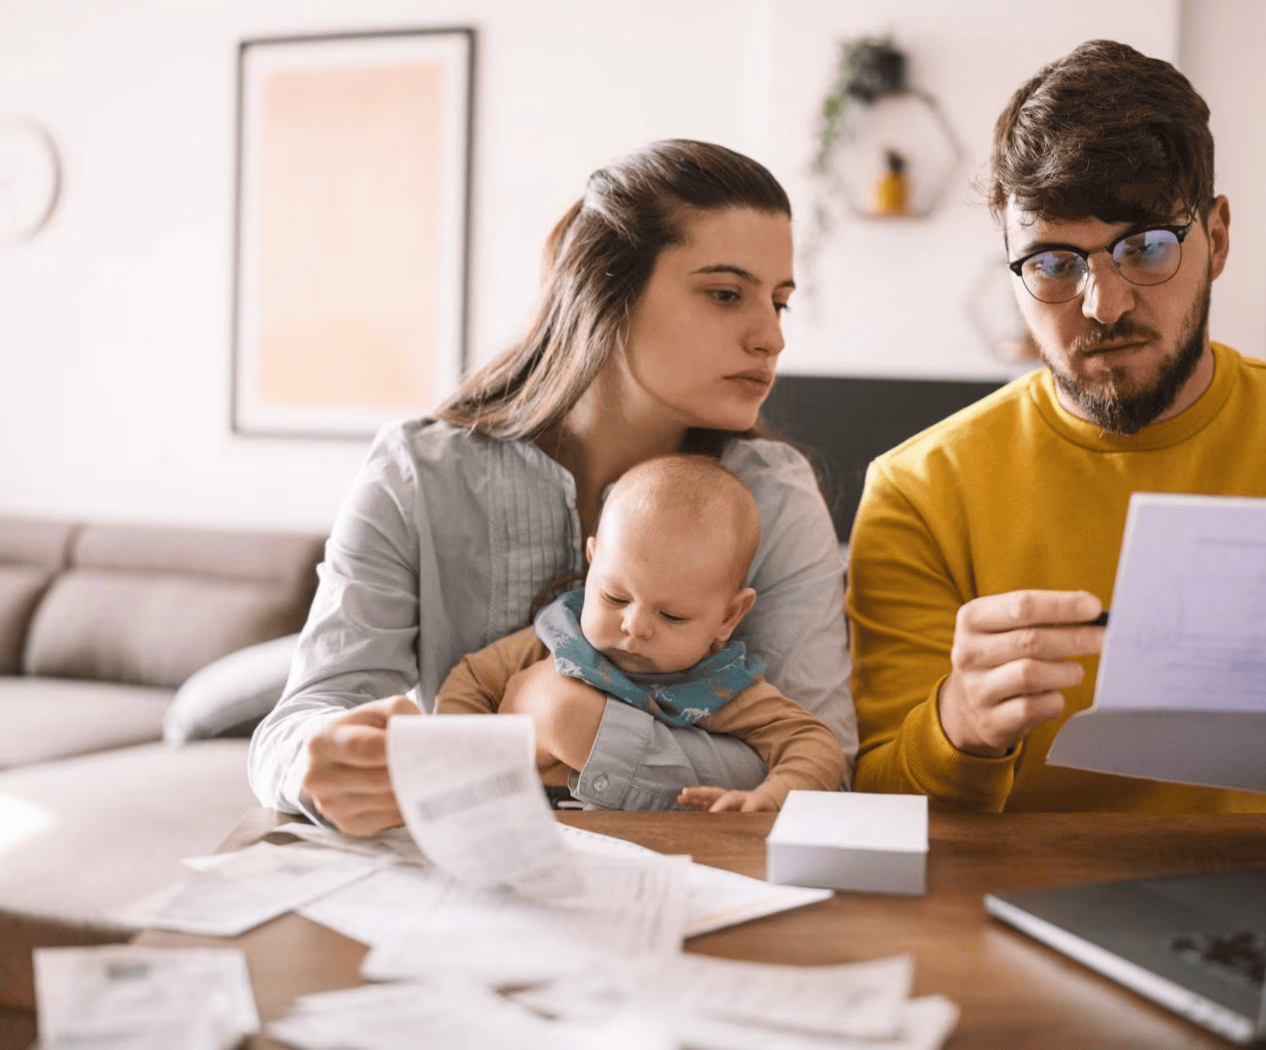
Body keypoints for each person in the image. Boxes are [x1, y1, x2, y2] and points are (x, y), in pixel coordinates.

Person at [846, 40, 1266, 814]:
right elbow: (876, 812)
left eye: (1145, 247)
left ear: (1220, 239)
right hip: (1016, 918)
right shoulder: (917, 492)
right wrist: (958, 726)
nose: (1103, 305)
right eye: (1052, 262)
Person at [248, 140, 856, 835]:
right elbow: (296, 725)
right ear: (605, 293)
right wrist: (314, 763)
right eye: (725, 294)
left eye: (779, 302)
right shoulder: (417, 474)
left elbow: (824, 762)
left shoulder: (772, 495)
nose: (771, 337)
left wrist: (569, 723)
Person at [434, 454, 846, 812]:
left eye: (672, 616)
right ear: (592, 563)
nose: (634, 626)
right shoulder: (557, 637)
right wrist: (458, 768)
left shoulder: (717, 685)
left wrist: (772, 796)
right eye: (615, 597)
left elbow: (815, 744)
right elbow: (470, 680)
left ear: (729, 616)